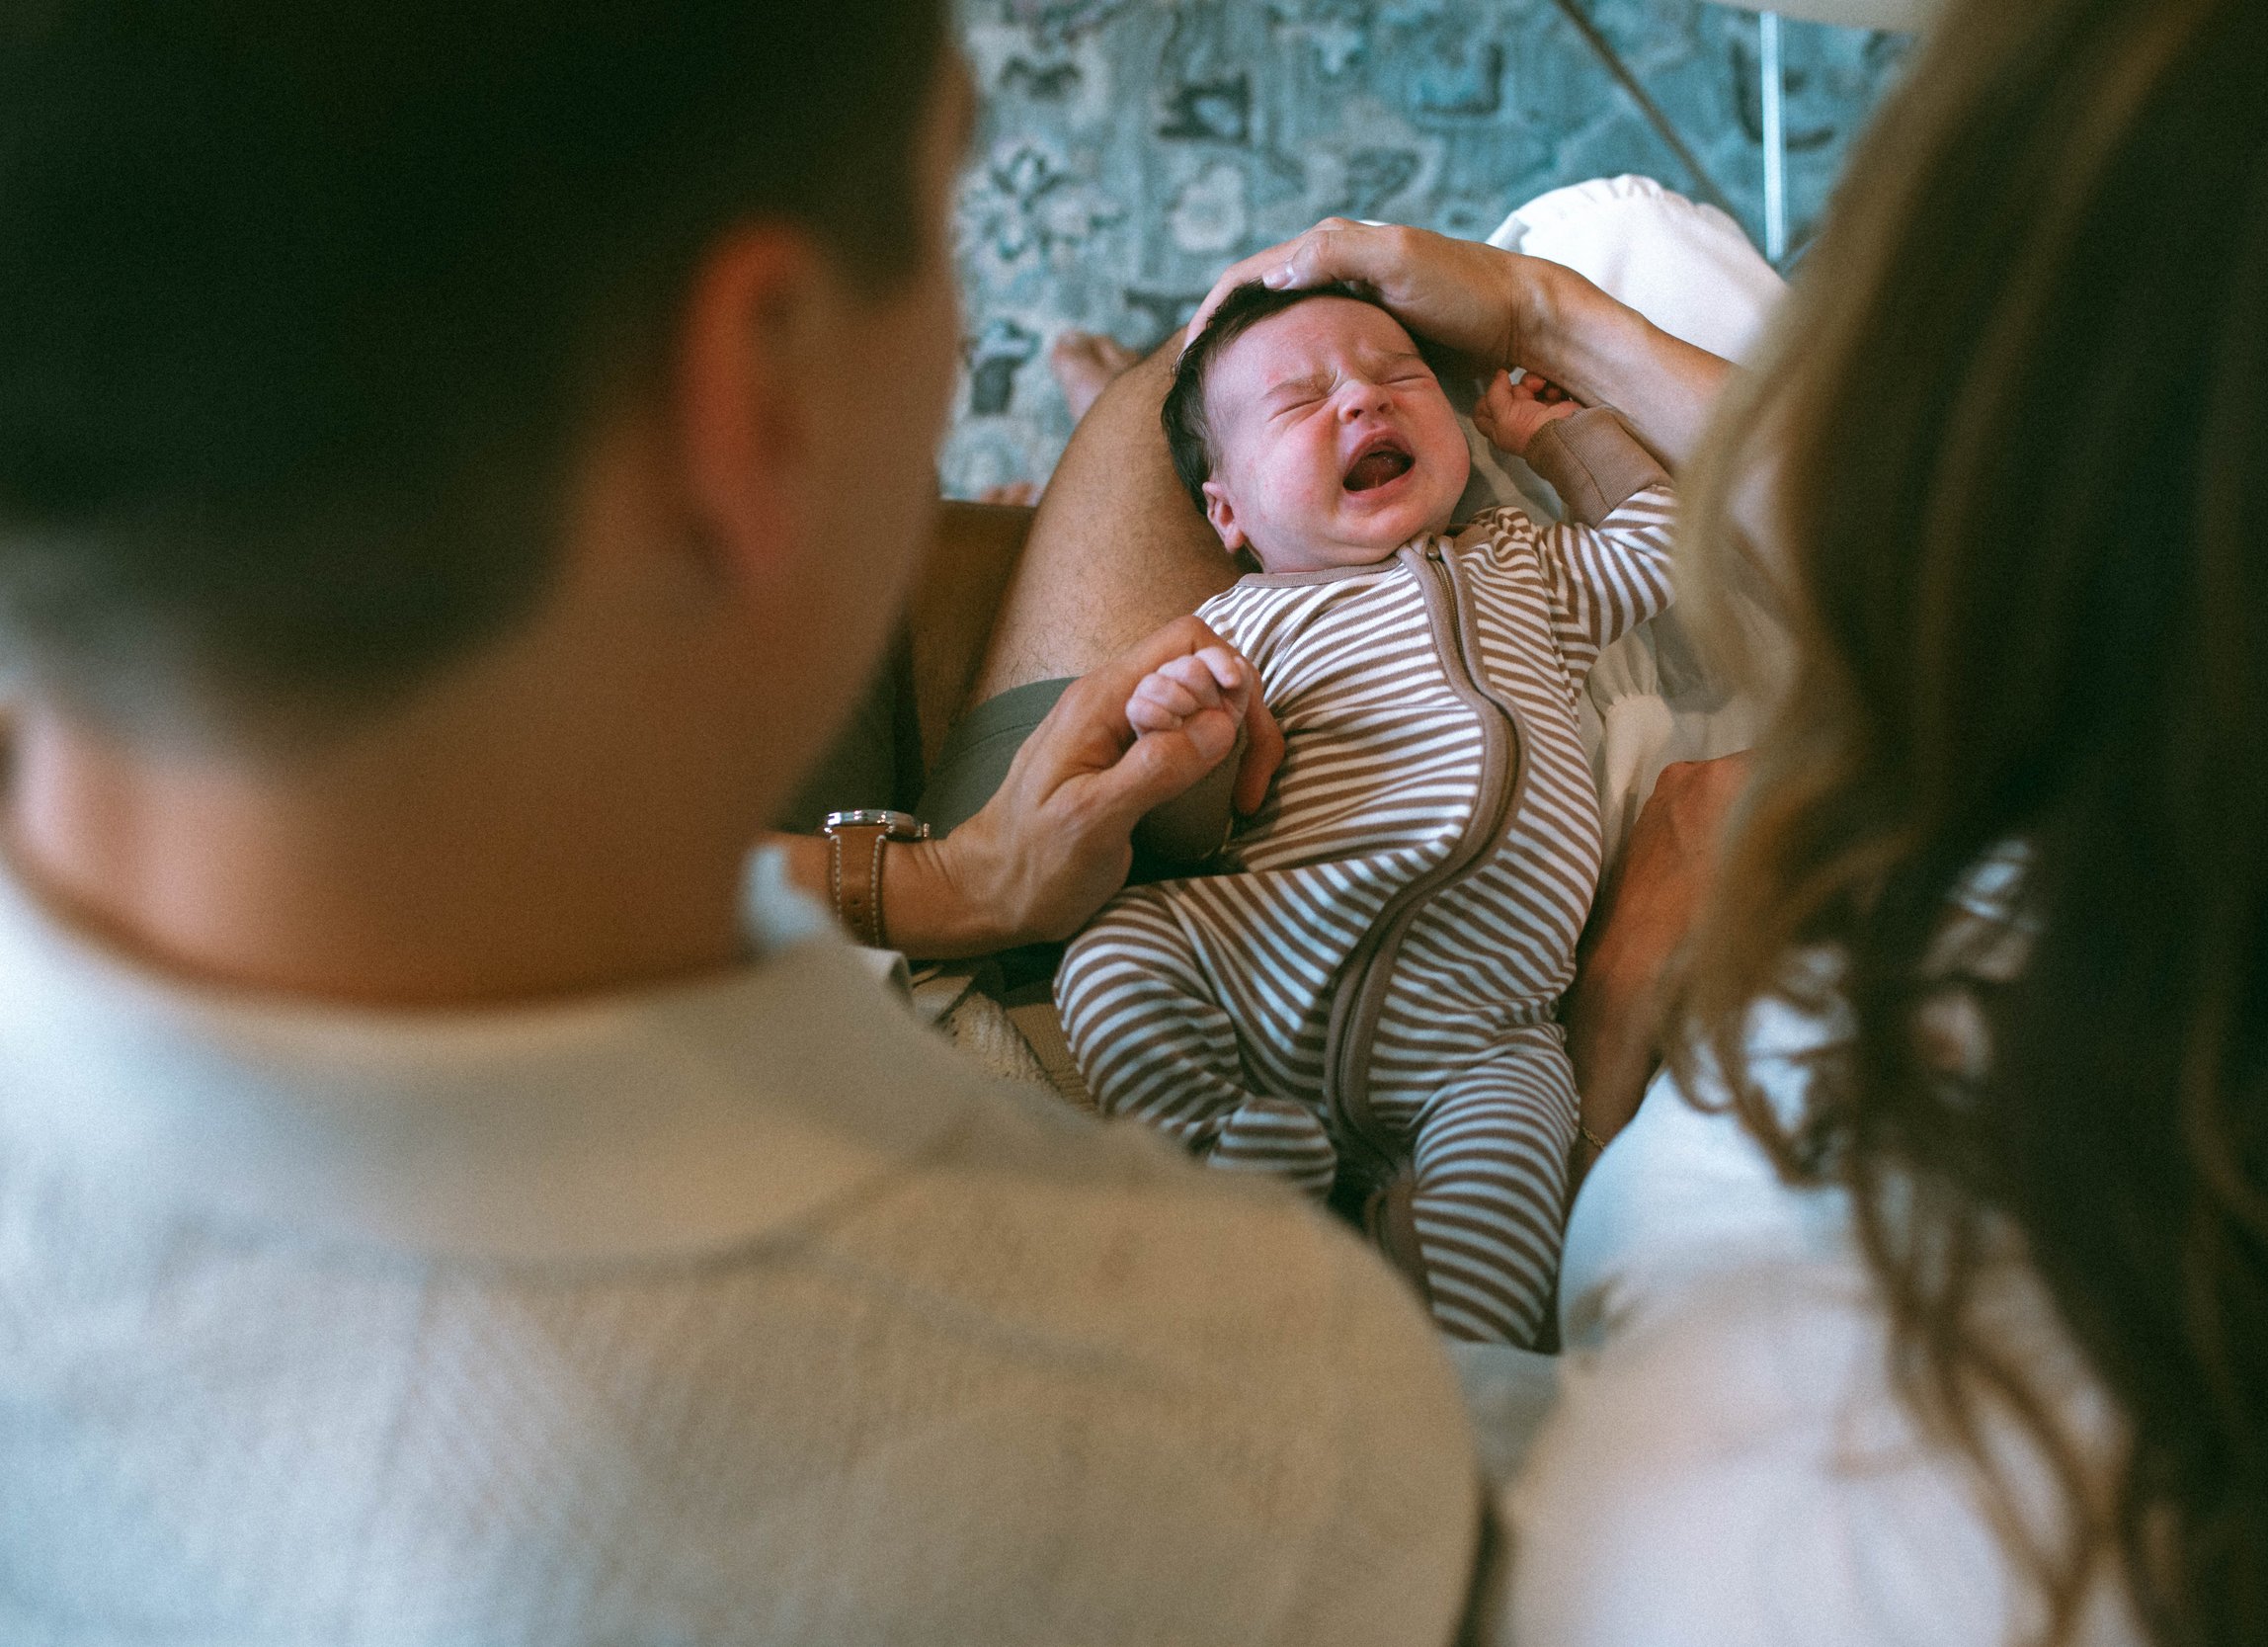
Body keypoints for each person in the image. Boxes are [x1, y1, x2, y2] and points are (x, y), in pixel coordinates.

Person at [0, 4, 1483, 1641]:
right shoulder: (1243, 1411)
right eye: (938, 218)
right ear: (757, 389)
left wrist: (944, 882)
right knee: (1141, 395)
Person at [1176, 0, 2268, 1641]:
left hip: (1548, 1078)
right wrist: (1540, 318)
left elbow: (1730, 545)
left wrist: (1621, 988)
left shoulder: (1777, 1485)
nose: (1361, 395)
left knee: (1600, 226)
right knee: (1588, 239)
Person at [1057, 281, 1677, 1348]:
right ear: (1228, 513)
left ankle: (1465, 1372)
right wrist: (1178, 728)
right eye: (1300, 401)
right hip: (1258, 958)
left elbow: (1658, 540)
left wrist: (1553, 434)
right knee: (1111, 958)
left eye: (1399, 377)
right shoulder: (1236, 621)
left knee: (1520, 1179)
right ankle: (1227, 1151)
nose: (1363, 403)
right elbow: (1186, 829)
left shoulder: (1524, 564)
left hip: (1480, 1030)